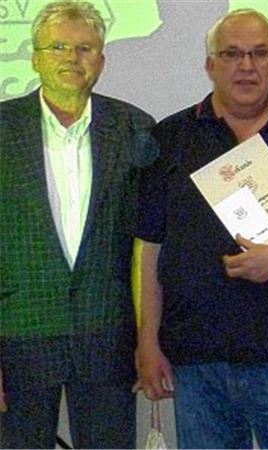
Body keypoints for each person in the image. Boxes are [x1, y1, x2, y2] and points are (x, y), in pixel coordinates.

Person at [132, 9, 268, 449]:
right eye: (232, 54)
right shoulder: (172, 138)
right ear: (210, 64)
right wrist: (147, 343)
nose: (246, 66)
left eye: (259, 54)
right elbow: (150, 249)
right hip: (196, 363)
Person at [0, 1, 156, 447]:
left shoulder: (134, 127)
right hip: (18, 339)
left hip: (106, 337)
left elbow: (148, 244)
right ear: (34, 57)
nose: (72, 58)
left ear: (101, 61)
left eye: (85, 48)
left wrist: (148, 337)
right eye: (58, 47)